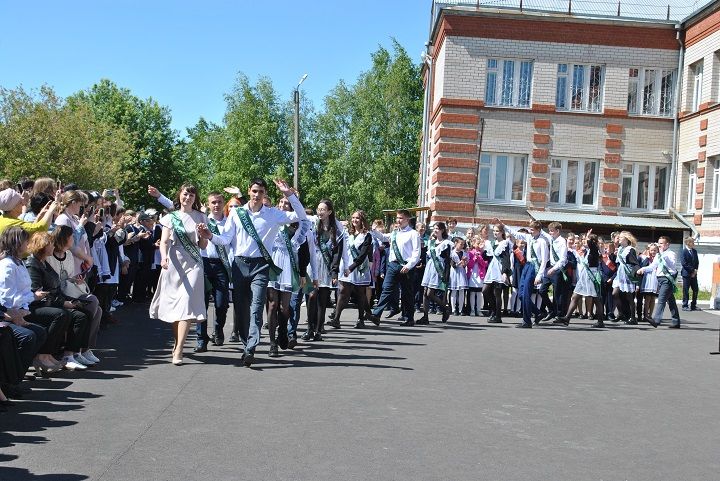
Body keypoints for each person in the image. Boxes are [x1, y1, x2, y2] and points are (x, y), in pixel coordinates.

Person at [198, 178, 305, 367]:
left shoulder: (273, 214)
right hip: (239, 265)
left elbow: (301, 215)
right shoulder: (236, 213)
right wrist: (210, 236)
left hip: (261, 267)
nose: (257, 195)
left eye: (261, 192)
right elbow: (226, 239)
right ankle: (247, 344)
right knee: (240, 310)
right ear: (249, 191)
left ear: (265, 194)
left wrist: (288, 194)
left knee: (256, 307)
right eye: (254, 191)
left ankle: (251, 348)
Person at [149, 184, 209, 366]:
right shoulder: (170, 217)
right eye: (185, 194)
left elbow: (203, 246)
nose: (188, 197)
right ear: (180, 195)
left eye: (192, 194)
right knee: (177, 307)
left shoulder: (201, 216)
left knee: (187, 303)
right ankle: (177, 343)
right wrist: (164, 258)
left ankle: (180, 348)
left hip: (194, 264)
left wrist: (203, 235)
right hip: (174, 263)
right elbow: (165, 241)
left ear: (195, 198)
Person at [45, 227, 103, 363]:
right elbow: (53, 281)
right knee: (92, 302)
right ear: (64, 238)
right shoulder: (49, 257)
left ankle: (85, 349)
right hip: (59, 294)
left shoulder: (69, 255)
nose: (73, 240)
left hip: (69, 291)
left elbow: (69, 276)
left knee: (98, 310)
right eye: (71, 237)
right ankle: (75, 351)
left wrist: (76, 280)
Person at [266, 197, 311, 356]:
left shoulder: (297, 225)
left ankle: (283, 330)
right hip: (273, 262)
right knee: (272, 305)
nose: (283, 205)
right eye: (281, 203)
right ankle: (272, 343)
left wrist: (303, 272)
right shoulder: (272, 219)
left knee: (284, 307)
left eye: (287, 203)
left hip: (288, 265)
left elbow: (304, 251)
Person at [194, 192, 232, 353]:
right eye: (213, 202)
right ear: (208, 204)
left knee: (221, 304)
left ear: (224, 204)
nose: (216, 205)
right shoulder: (202, 221)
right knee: (201, 303)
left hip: (221, 265)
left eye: (219, 202)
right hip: (203, 264)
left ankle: (218, 328)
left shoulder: (230, 223)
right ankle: (201, 339)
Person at [371, 210, 421, 326]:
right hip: (393, 265)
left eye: (401, 218)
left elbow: (416, 252)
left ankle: (409, 318)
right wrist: (373, 229)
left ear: (407, 220)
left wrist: (409, 266)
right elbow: (383, 237)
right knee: (386, 288)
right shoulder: (394, 233)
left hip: (406, 266)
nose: (398, 220)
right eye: (397, 218)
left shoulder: (413, 233)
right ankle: (376, 315)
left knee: (407, 293)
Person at [331, 210, 379, 329]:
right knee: (343, 292)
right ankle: (336, 319)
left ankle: (361, 319)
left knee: (360, 294)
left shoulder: (367, 236)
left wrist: (351, 268)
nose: (354, 220)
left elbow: (362, 255)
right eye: (353, 218)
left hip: (359, 268)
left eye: (357, 218)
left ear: (362, 220)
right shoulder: (347, 233)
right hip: (346, 266)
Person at [499, 219, 549, 328]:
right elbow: (516, 234)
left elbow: (544, 260)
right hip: (527, 265)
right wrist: (504, 226)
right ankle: (538, 312)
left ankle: (527, 321)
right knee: (521, 294)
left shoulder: (542, 241)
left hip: (534, 267)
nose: (530, 232)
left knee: (526, 293)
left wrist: (539, 275)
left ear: (538, 230)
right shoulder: (529, 237)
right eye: (530, 229)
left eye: (532, 230)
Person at [554, 232, 605, 328]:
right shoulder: (589, 250)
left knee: (596, 299)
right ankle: (567, 318)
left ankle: (600, 321)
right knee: (575, 296)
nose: (584, 241)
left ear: (592, 242)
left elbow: (591, 243)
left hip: (591, 277)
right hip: (584, 276)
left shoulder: (594, 249)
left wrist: (588, 236)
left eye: (586, 240)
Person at [310, 199, 345, 338]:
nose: (320, 212)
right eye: (318, 209)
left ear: (329, 212)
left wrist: (334, 271)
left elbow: (337, 252)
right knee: (311, 296)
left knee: (322, 300)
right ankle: (309, 328)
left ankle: (319, 329)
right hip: (313, 263)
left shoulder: (335, 230)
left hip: (326, 265)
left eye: (323, 209)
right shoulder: (313, 225)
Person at [637, 236, 681, 328]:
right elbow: (653, 266)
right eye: (659, 243)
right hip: (660, 279)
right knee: (671, 301)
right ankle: (676, 321)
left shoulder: (671, 253)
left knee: (661, 299)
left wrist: (662, 254)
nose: (659, 245)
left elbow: (672, 265)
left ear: (667, 244)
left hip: (667, 279)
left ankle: (656, 320)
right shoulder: (658, 255)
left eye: (661, 243)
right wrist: (643, 269)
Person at [417, 221, 452, 324]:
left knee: (430, 293)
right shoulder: (431, 242)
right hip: (430, 267)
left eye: (437, 228)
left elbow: (447, 260)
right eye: (434, 228)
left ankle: (445, 308)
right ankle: (425, 316)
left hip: (439, 268)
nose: (435, 230)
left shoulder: (446, 243)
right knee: (425, 292)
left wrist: (446, 274)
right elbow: (428, 257)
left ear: (442, 230)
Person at [537, 222, 569, 323]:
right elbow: (543, 233)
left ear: (558, 231)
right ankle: (551, 310)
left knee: (557, 294)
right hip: (550, 267)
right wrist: (536, 225)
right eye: (549, 231)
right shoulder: (552, 239)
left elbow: (563, 259)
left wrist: (554, 269)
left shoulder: (562, 241)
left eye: (552, 231)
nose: (550, 233)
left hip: (558, 269)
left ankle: (560, 315)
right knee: (542, 290)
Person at [483, 223, 512, 324]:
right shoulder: (491, 243)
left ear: (502, 232)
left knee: (497, 294)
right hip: (492, 268)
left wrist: (504, 272)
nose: (495, 233)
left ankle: (498, 316)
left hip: (499, 269)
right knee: (485, 290)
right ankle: (494, 311)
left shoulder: (505, 243)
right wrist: (482, 252)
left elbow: (506, 259)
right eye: (494, 231)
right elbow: (487, 257)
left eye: (497, 231)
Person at [611, 231, 640, 324]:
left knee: (629, 297)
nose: (619, 239)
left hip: (627, 274)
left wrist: (638, 270)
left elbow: (634, 262)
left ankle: (633, 318)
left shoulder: (630, 249)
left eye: (620, 237)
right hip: (620, 274)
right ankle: (620, 313)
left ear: (626, 239)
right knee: (614, 293)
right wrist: (613, 255)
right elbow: (617, 263)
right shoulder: (620, 249)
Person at [449, 237, 468, 316]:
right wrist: (461, 261)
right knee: (453, 291)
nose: (462, 246)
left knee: (461, 291)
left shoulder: (464, 253)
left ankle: (460, 309)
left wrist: (464, 263)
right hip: (454, 272)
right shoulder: (451, 253)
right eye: (461, 244)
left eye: (463, 244)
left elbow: (464, 265)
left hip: (461, 272)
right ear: (456, 243)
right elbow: (454, 265)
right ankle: (453, 309)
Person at [680, 237, 700, 311]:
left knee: (695, 289)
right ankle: (685, 305)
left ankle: (693, 305)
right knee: (686, 290)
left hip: (694, 274)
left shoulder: (694, 251)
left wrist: (695, 271)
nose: (693, 243)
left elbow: (697, 262)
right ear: (688, 243)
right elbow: (684, 263)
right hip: (686, 274)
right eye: (692, 242)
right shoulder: (684, 251)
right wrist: (692, 270)